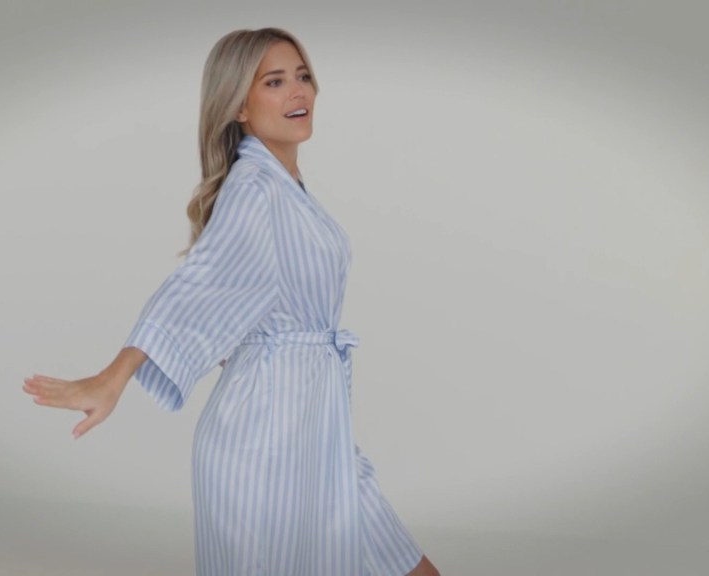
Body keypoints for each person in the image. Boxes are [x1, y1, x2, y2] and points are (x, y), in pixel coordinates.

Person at [22, 27, 440, 576]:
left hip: (317, 435)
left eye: (303, 76)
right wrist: (113, 376)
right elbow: (198, 283)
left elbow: (246, 291)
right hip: (263, 444)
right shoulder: (255, 189)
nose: (298, 91)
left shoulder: (283, 188)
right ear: (240, 106)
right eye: (274, 82)